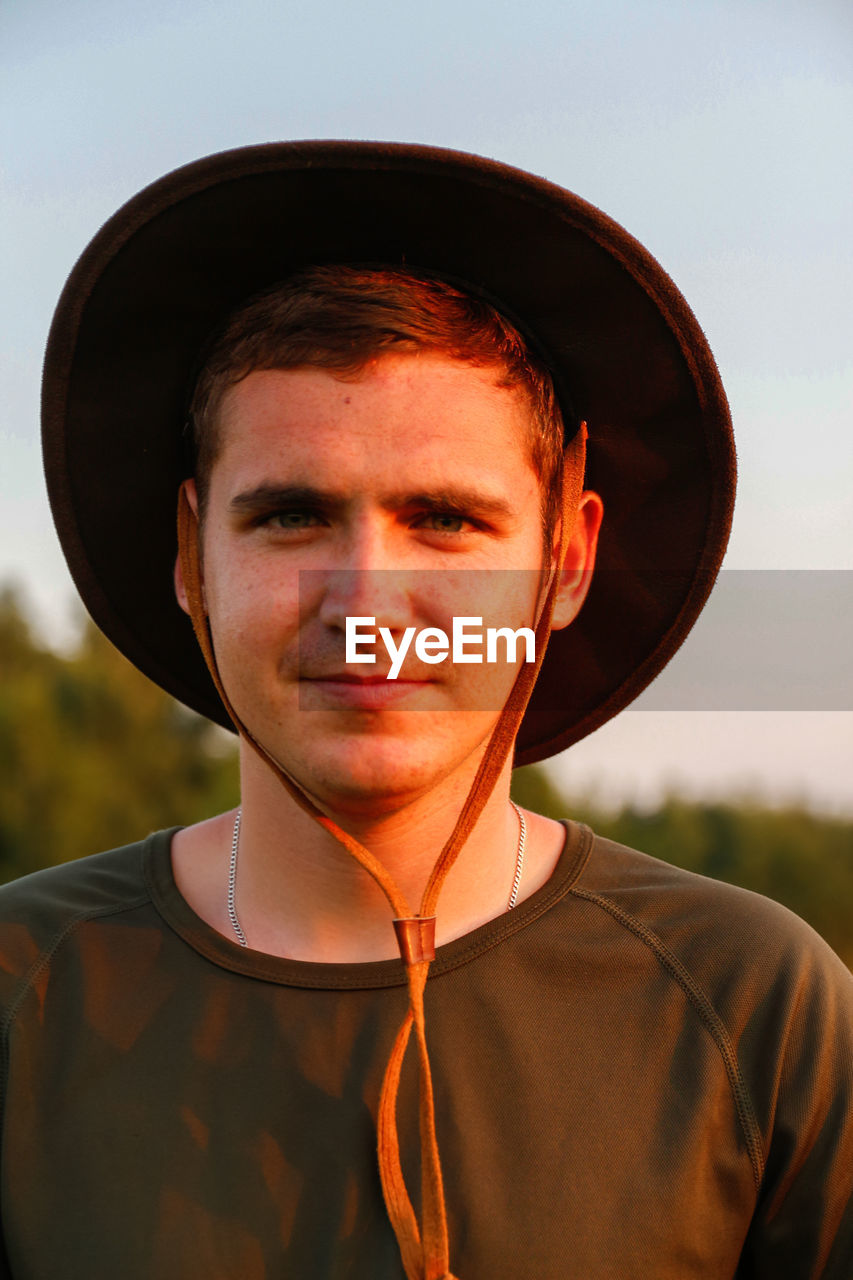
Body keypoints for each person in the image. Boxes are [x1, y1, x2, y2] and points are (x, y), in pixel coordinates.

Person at [1, 141, 851, 1278]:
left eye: (446, 519)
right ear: (189, 555)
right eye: (290, 517)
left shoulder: (756, 1005)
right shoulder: (22, 984)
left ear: (565, 559)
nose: (365, 602)